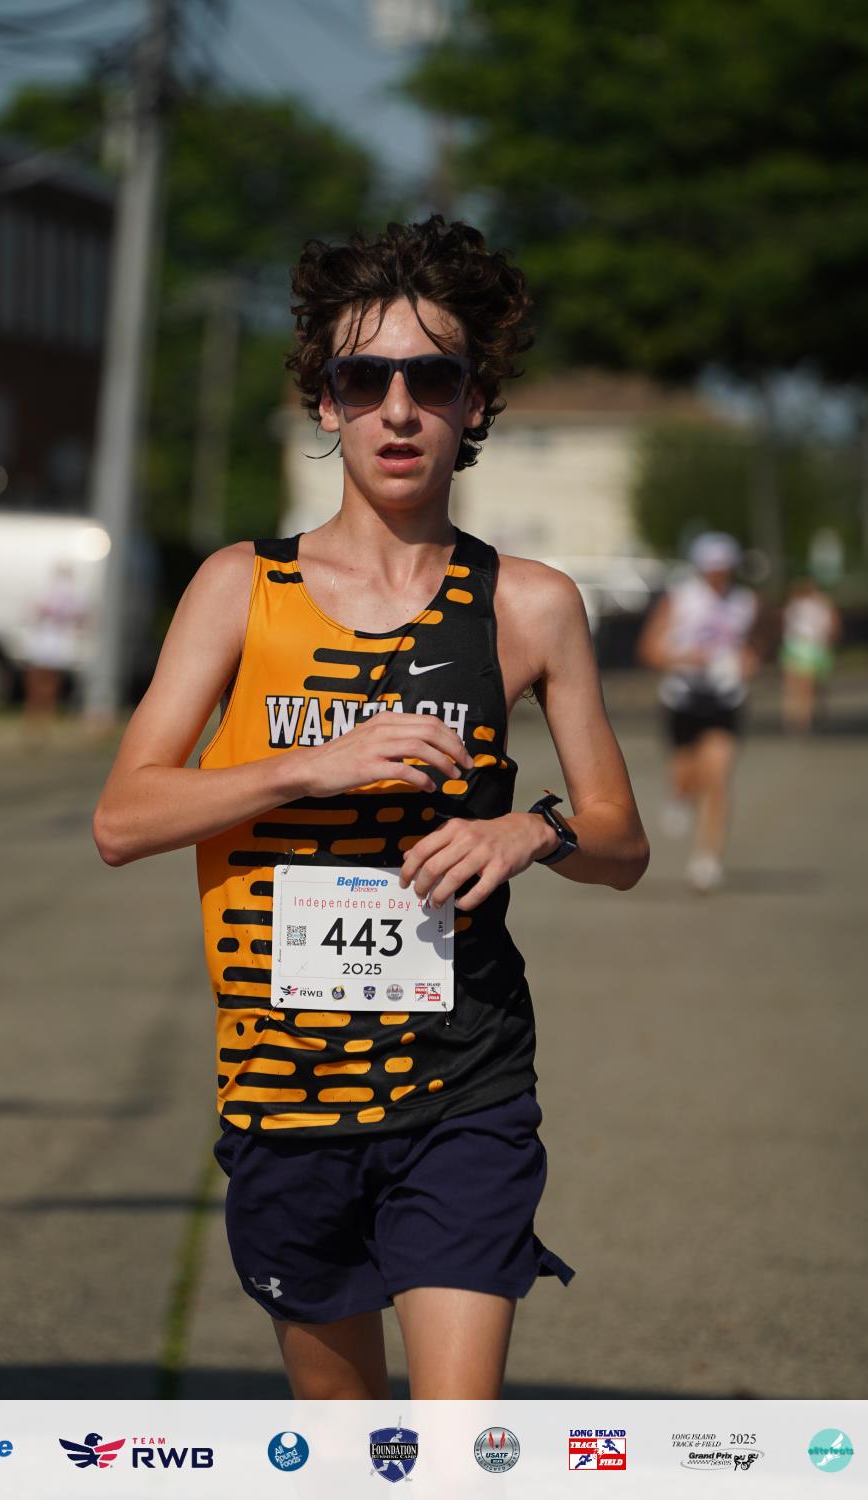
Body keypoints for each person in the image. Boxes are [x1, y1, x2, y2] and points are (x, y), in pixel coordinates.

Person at [93, 216, 649, 1399]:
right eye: (364, 379)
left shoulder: (529, 604)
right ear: (325, 402)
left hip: (465, 1080)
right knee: (344, 1450)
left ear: (474, 402)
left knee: (451, 1453)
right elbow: (123, 820)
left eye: (431, 379)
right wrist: (308, 766)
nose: (398, 410)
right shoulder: (239, 588)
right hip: (284, 1092)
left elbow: (620, 841)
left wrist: (531, 829)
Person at [637, 532, 760, 893]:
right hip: (683, 698)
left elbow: (753, 647)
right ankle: (678, 795)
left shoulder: (745, 602)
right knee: (686, 775)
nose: (718, 575)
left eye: (724, 568)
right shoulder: (680, 598)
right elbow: (649, 650)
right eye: (712, 568)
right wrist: (683, 658)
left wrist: (748, 661)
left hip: (725, 699)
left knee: (717, 777)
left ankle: (707, 859)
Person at [23, 561, 88, 740]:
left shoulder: (67, 592)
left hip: (54, 643)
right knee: (43, 682)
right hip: (49, 643)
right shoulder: (62, 591)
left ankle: (40, 719)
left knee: (45, 682)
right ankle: (39, 719)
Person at [779, 576, 841, 733]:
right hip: (804, 646)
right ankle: (799, 718)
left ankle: (799, 718)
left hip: (806, 647)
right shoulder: (805, 604)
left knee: (801, 686)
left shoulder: (811, 604)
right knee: (802, 686)